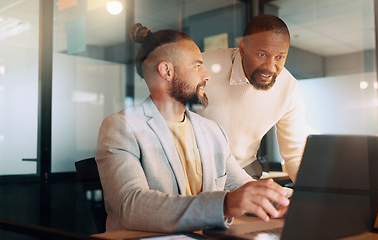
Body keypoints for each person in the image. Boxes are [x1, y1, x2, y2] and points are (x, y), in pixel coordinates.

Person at [95, 23, 291, 233]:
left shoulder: (213, 131)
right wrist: (225, 204)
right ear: (167, 71)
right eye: (197, 66)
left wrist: (288, 200)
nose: (206, 75)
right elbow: (131, 207)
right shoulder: (121, 127)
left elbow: (243, 186)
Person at [197, 14, 307, 181]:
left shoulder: (289, 87)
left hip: (243, 169)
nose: (270, 67)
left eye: (279, 57)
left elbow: (295, 153)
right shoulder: (203, 67)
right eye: (262, 55)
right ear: (242, 49)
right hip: (195, 169)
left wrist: (316, 193)